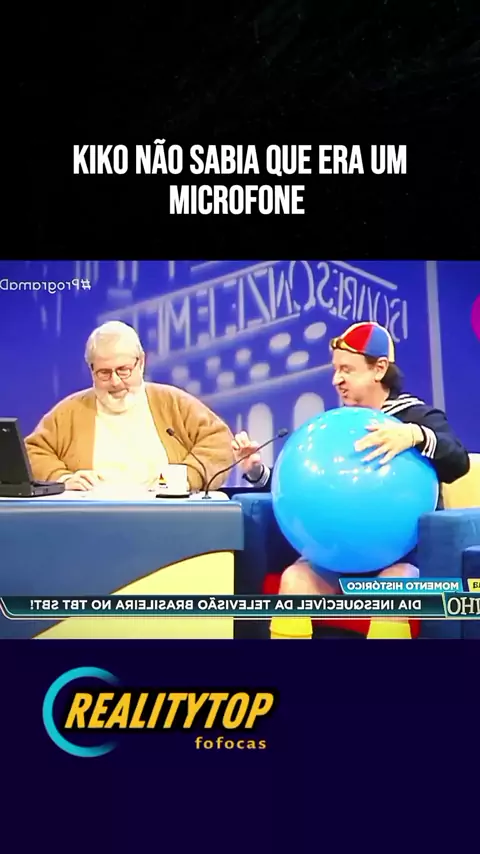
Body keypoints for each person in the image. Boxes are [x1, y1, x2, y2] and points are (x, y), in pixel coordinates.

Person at [232, 321, 470, 599]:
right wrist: (257, 471)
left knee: (394, 585)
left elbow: (459, 462)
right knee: (295, 580)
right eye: (336, 370)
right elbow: (306, 487)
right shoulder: (335, 426)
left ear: (379, 369)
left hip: (401, 552)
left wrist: (414, 435)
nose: (337, 380)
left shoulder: (415, 416)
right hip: (334, 553)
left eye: (347, 369)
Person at [25, 320, 235, 492]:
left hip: (164, 517)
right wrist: (62, 479)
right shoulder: (70, 412)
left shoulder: (172, 402)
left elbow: (220, 441)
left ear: (141, 363)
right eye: (104, 373)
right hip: (90, 520)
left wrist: (187, 477)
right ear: (91, 371)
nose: (115, 382)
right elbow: (31, 452)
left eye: (123, 370)